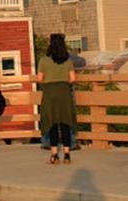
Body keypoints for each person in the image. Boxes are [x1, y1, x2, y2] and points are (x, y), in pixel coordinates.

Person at [38, 33, 77, 164]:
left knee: (52, 123)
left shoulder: (44, 60)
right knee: (65, 122)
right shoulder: (68, 60)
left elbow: (39, 79)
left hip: (50, 94)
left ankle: (54, 154)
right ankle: (67, 153)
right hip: (64, 93)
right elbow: (73, 79)